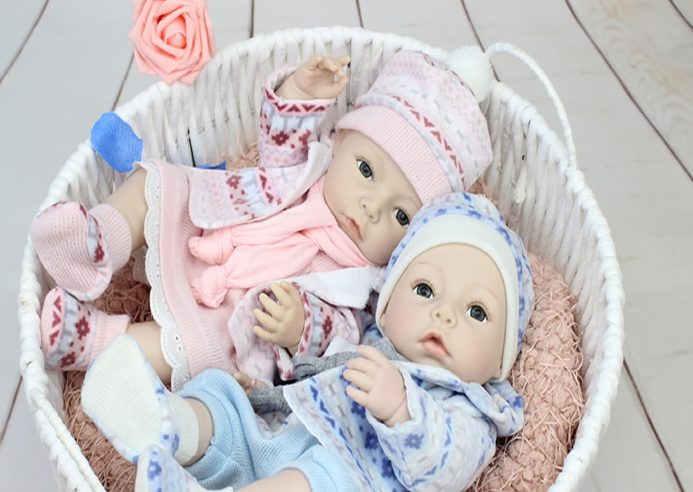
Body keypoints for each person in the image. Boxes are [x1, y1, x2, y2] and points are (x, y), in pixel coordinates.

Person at [80, 192, 535, 492]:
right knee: (225, 398)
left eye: (477, 312)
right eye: (425, 290)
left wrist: (401, 410)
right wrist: (289, 350)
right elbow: (321, 358)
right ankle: (167, 424)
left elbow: (444, 467)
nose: (444, 314)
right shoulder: (369, 340)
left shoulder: (472, 409)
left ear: (500, 360)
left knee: (320, 485)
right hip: (280, 444)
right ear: (387, 301)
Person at [31, 48, 494, 390]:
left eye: (401, 214)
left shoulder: (364, 284)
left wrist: (301, 325)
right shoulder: (307, 171)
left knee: (193, 352)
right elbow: (277, 143)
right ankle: (99, 240)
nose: (371, 207)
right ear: (339, 142)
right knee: (161, 184)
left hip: (232, 317)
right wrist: (299, 94)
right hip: (208, 232)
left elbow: (346, 335)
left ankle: (96, 341)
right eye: (366, 171)